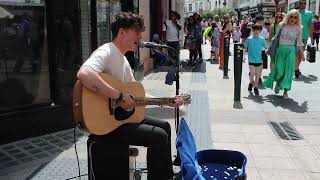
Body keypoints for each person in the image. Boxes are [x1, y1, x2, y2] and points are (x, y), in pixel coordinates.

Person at [77, 12, 183, 180]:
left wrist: (165, 101)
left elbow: (136, 95)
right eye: (137, 32)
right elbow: (84, 74)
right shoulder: (107, 51)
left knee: (164, 127)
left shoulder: (124, 60)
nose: (140, 36)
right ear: (122, 32)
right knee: (158, 136)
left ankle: (165, 176)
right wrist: (118, 95)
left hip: (120, 119)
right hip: (108, 125)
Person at [263, 9, 304, 100]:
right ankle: (278, 83)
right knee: (280, 70)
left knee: (289, 72)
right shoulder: (281, 25)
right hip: (280, 50)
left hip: (291, 51)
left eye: (295, 17)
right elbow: (275, 38)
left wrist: (302, 54)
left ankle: (285, 91)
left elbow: (300, 43)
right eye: (291, 16)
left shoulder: (299, 28)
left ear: (297, 19)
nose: (293, 19)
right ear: (288, 17)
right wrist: (269, 48)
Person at [244, 24, 268, 95]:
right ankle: (251, 82)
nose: (256, 31)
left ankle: (255, 87)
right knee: (252, 73)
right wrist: (243, 57)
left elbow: (266, 47)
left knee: (257, 74)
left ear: (260, 31)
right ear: (252, 30)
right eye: (254, 30)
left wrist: (267, 51)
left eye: (258, 30)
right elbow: (245, 48)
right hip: (251, 59)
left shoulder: (262, 39)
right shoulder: (249, 39)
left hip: (259, 60)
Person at [296, 0, 314, 78]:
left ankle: (296, 68)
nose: (303, 5)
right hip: (294, 36)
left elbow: (310, 26)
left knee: (300, 54)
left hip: (304, 37)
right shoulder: (295, 12)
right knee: (294, 53)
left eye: (304, 3)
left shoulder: (309, 14)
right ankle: (295, 69)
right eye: (301, 3)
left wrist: (312, 38)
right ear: (298, 4)